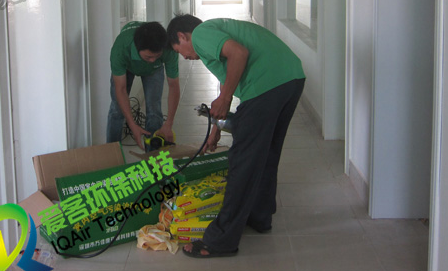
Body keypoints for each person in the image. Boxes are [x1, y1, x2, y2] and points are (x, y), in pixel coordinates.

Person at [166, 15, 305, 258]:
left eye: (179, 51)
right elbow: (226, 78)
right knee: (266, 153)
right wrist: (216, 128)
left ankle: (221, 240)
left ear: (182, 36)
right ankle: (260, 216)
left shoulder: (201, 34)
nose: (184, 57)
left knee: (242, 160)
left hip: (266, 84)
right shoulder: (215, 33)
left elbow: (238, 54)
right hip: (290, 78)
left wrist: (226, 98)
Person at [107, 21, 180, 149]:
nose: (152, 60)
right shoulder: (121, 49)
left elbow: (174, 85)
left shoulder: (169, 49)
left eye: (157, 56)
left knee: (154, 110)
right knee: (117, 110)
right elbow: (121, 89)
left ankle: (154, 154)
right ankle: (112, 153)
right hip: (127, 66)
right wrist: (132, 125)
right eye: (148, 57)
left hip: (154, 71)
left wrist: (168, 124)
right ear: (137, 48)